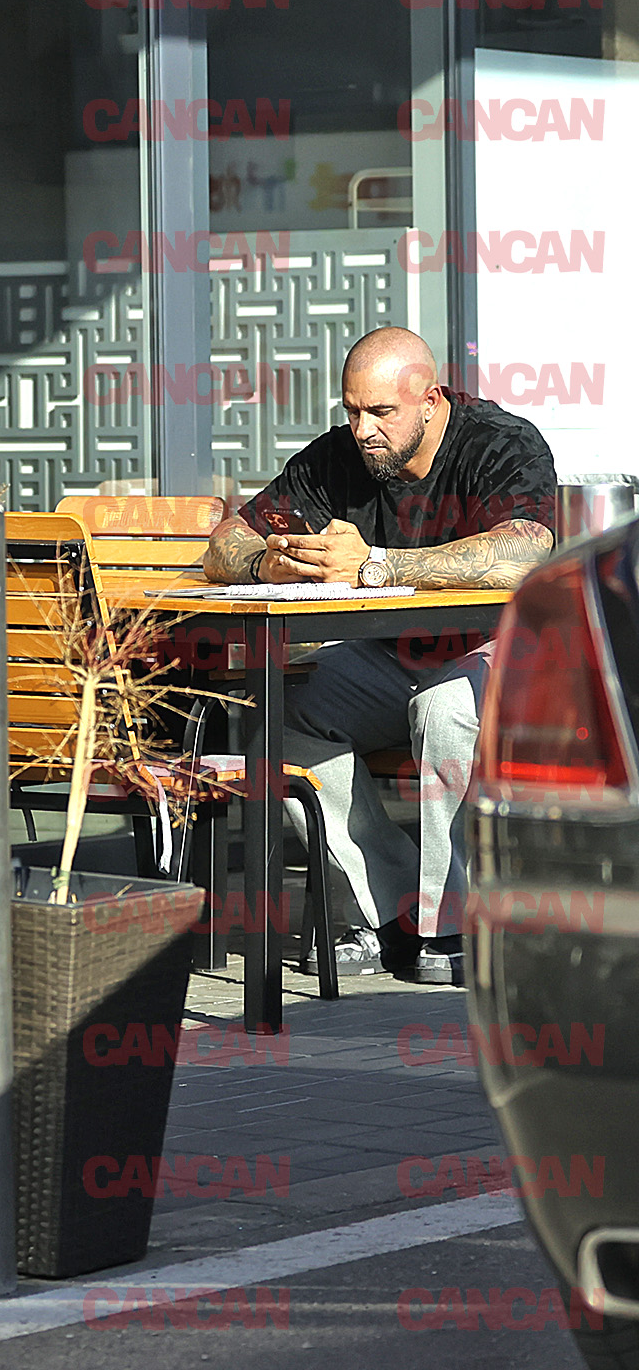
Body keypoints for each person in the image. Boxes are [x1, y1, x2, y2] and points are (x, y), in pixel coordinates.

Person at [202, 326, 556, 985]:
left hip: (497, 655)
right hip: (389, 656)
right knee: (279, 717)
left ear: (431, 399)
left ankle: (452, 926)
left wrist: (376, 566)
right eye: (352, 411)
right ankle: (392, 908)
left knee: (445, 711)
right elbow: (224, 541)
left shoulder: (500, 444)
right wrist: (264, 562)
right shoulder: (337, 458)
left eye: (381, 413)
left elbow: (526, 551)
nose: (364, 430)